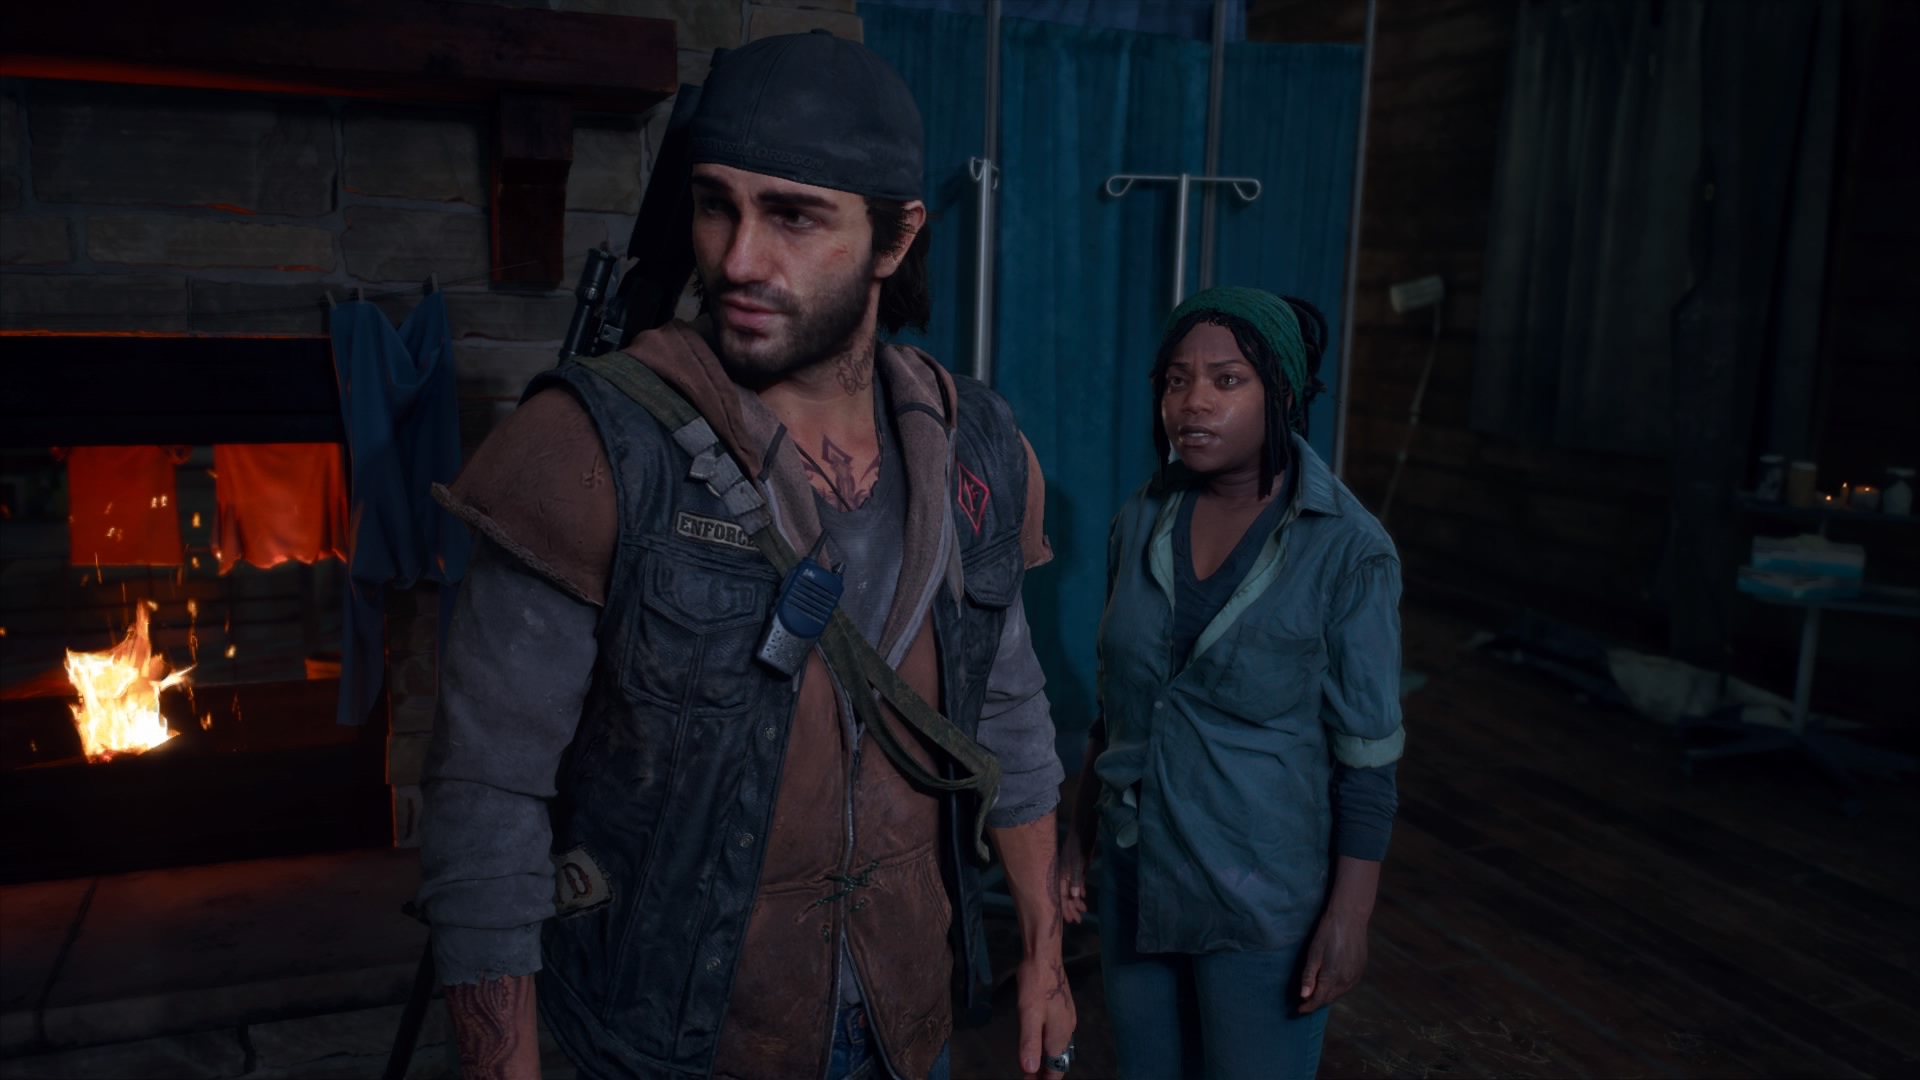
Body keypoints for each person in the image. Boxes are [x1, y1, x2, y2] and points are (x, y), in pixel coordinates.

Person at [415, 31, 1076, 1080]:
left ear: (896, 237)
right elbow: (486, 799)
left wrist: (1043, 951)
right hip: (673, 1044)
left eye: (793, 216)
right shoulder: (591, 448)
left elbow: (1009, 714)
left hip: (909, 1020)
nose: (736, 260)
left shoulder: (978, 448)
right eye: (716, 204)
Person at [1058, 287, 1405, 1079]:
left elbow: (1367, 763)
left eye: (1227, 380)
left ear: (1281, 392)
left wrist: (1350, 916)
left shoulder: (1348, 551)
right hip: (1138, 872)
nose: (1194, 403)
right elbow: (1118, 706)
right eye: (1177, 381)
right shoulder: (1140, 520)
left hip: (1260, 895)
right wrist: (1079, 838)